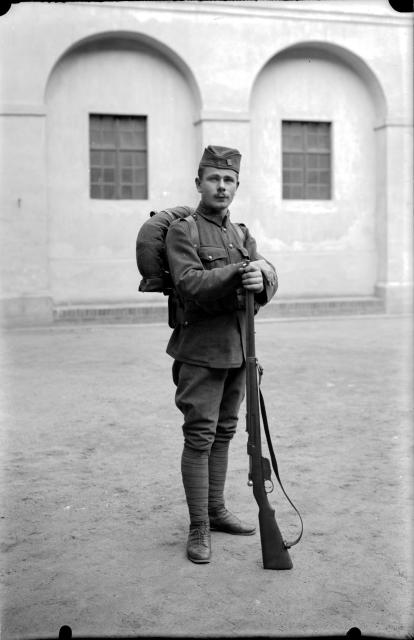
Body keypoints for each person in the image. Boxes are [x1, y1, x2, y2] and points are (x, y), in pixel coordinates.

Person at [165, 145, 278, 564]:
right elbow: (190, 284)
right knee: (199, 436)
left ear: (236, 186)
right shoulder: (185, 231)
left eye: (229, 180)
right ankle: (198, 526)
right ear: (199, 183)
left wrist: (261, 280)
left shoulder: (242, 234)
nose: (222, 186)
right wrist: (238, 272)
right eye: (214, 179)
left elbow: (265, 284)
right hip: (200, 352)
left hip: (239, 351)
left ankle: (215, 510)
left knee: (226, 433)